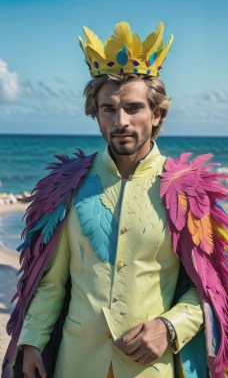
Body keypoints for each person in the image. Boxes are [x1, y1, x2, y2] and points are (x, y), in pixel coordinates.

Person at [2, 21, 227, 378]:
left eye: (134, 108)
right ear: (97, 115)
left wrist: (170, 327)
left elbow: (211, 290)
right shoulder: (67, 187)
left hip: (151, 369)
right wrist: (31, 340)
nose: (121, 121)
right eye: (109, 109)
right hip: (75, 365)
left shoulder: (188, 192)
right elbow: (51, 280)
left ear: (156, 115)